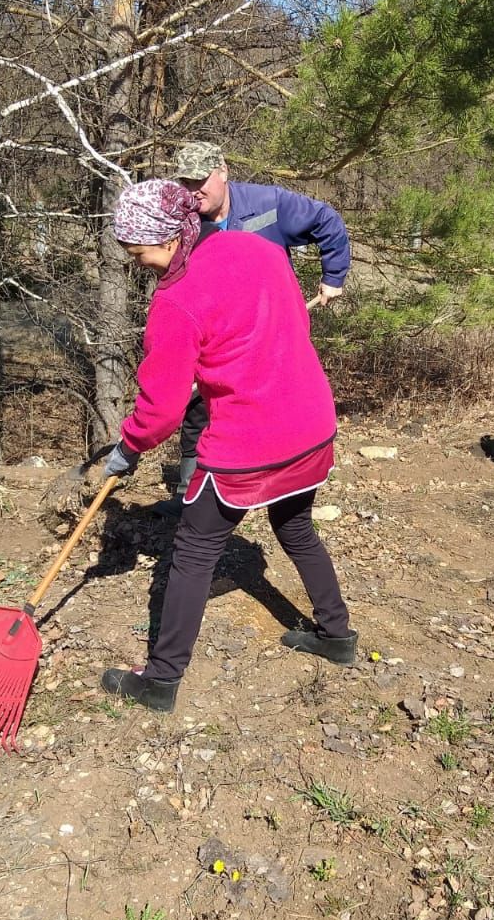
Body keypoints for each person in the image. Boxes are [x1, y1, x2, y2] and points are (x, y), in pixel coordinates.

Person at [100, 179, 358, 714]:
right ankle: (336, 636)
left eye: (138, 252)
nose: (137, 262)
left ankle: (161, 679)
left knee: (193, 552)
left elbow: (161, 412)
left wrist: (127, 449)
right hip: (310, 422)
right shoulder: (257, 249)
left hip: (250, 442)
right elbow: (282, 324)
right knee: (296, 526)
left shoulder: (175, 303)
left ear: (170, 238)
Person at [154, 140, 352, 516]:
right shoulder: (184, 223)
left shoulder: (268, 205)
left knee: (277, 412)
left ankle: (280, 495)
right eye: (186, 182)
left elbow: (327, 221)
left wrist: (334, 276)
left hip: (270, 338)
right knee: (198, 413)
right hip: (215, 341)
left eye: (202, 181)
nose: (194, 192)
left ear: (223, 172)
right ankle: (190, 498)